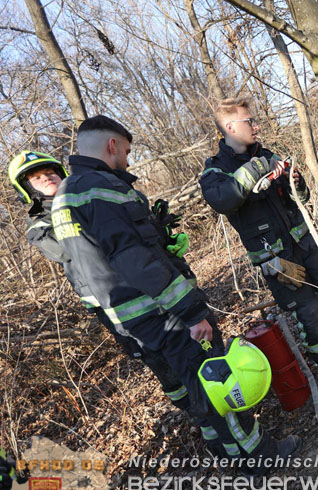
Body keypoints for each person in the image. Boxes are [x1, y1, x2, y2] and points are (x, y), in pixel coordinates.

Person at [51, 115, 299, 475]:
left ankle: (223, 450)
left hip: (134, 317)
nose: (128, 161)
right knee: (217, 378)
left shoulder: (66, 195)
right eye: (127, 152)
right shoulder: (100, 188)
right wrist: (190, 312)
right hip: (162, 311)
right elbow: (133, 259)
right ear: (111, 145)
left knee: (192, 384)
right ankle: (257, 456)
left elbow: (99, 261)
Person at [7, 151, 196, 413]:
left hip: (141, 280)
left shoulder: (85, 196)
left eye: (50, 172)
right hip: (108, 300)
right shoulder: (38, 226)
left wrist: (157, 235)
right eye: (37, 178)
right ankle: (188, 405)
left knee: (181, 335)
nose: (47, 178)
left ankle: (205, 392)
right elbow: (66, 249)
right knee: (151, 353)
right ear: (26, 189)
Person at [200, 97, 318, 377]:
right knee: (311, 315)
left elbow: (300, 199)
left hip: (306, 244)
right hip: (277, 260)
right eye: (250, 121)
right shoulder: (215, 172)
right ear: (230, 127)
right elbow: (224, 200)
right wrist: (258, 168)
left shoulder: (267, 154)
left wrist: (296, 182)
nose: (257, 127)